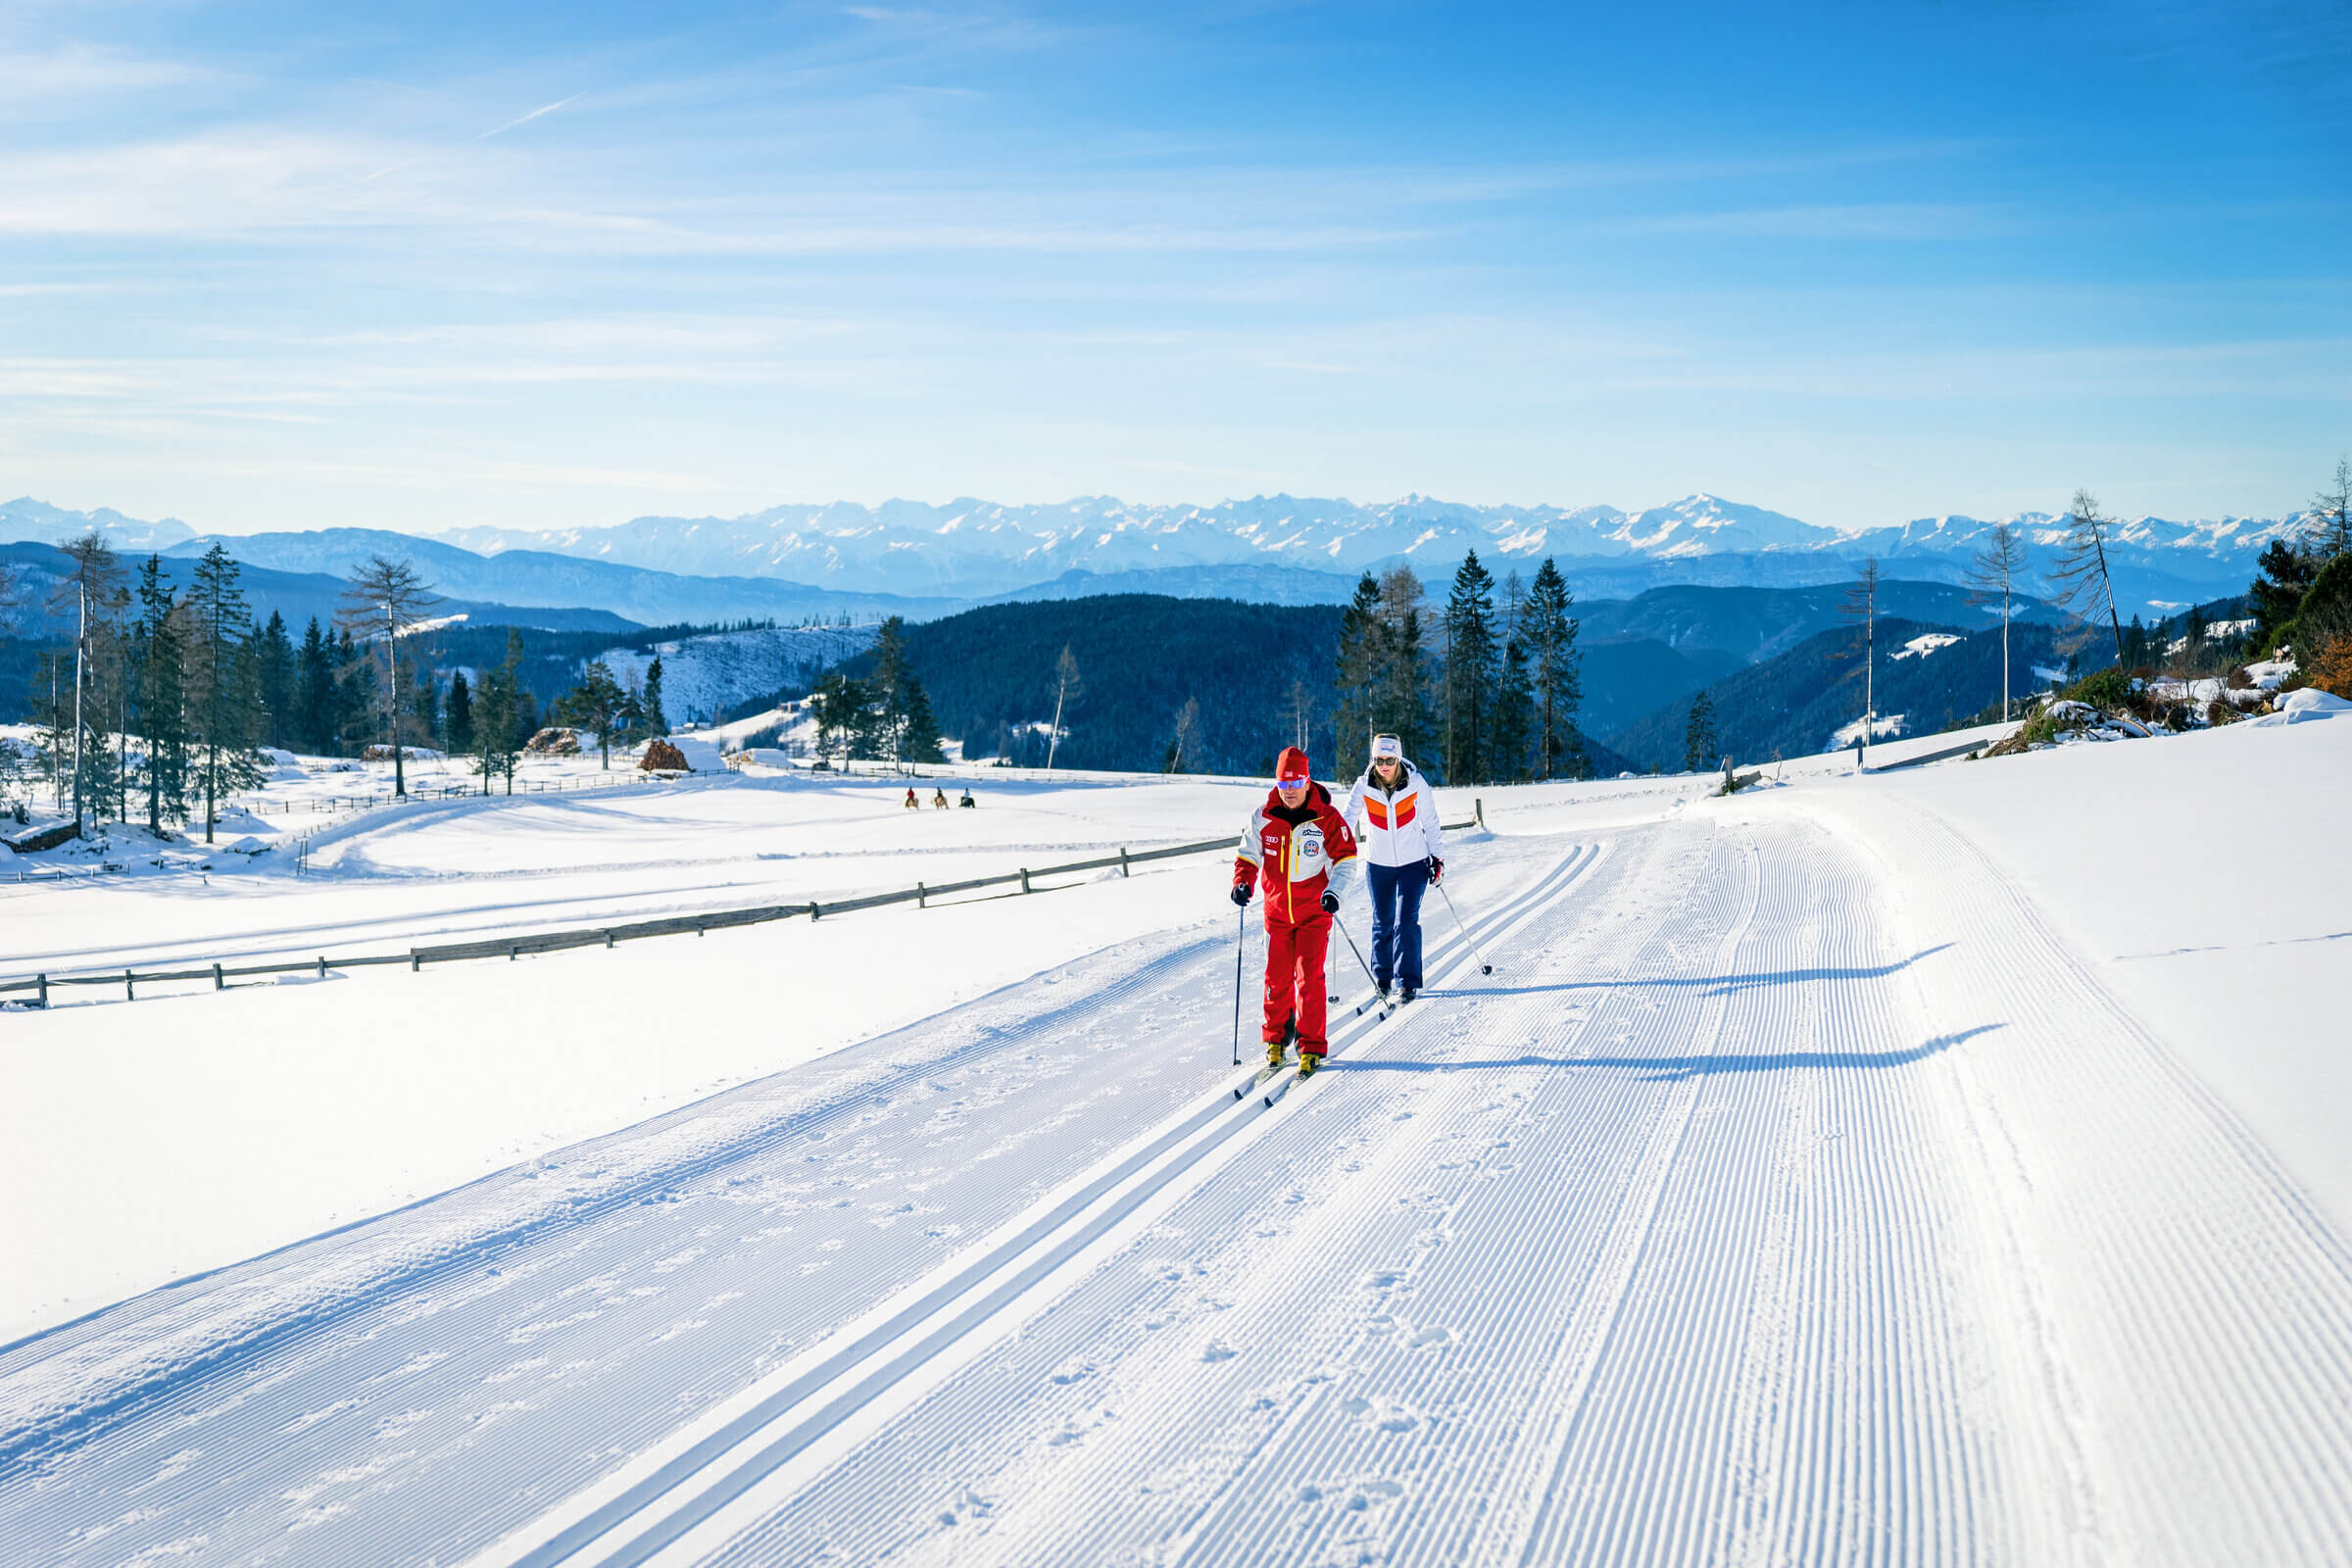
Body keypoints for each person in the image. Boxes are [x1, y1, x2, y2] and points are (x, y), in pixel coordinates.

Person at [1231, 747, 1359, 1077]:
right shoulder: (1264, 816)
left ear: (1307, 780)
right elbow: (1248, 855)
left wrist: (1334, 893)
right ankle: (1276, 1040)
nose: (1289, 791)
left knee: (1308, 978)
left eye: (1296, 782)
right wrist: (1243, 882)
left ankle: (1311, 1046)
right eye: (1283, 784)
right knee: (1276, 979)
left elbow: (1345, 861)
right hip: (1276, 914)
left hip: (1314, 913)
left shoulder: (1327, 818)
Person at [1343, 733, 1444, 1004]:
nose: (1384, 765)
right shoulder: (1364, 786)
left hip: (1414, 863)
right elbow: (1346, 821)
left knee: (1406, 921)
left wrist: (1438, 858)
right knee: (1383, 921)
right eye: (1379, 760)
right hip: (1379, 864)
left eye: (1389, 759)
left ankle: (1407, 982)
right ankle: (1383, 979)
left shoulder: (1416, 784)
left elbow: (1431, 822)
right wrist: (1334, 851)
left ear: (1398, 758)